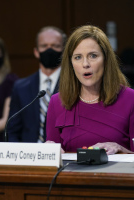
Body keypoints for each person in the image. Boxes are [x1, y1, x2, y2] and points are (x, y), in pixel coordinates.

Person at [46, 25, 134, 155]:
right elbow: (52, 164)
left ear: (106, 59)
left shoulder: (130, 99)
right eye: (78, 57)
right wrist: (49, 151)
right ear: (71, 64)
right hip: (71, 175)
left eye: (93, 56)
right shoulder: (57, 102)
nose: (85, 64)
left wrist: (121, 149)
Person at [8, 26, 66, 143]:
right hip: (27, 156)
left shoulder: (74, 85)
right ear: (36, 52)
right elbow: (12, 130)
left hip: (62, 155)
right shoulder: (20, 87)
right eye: (44, 46)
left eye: (55, 46)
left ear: (64, 51)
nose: (49, 50)